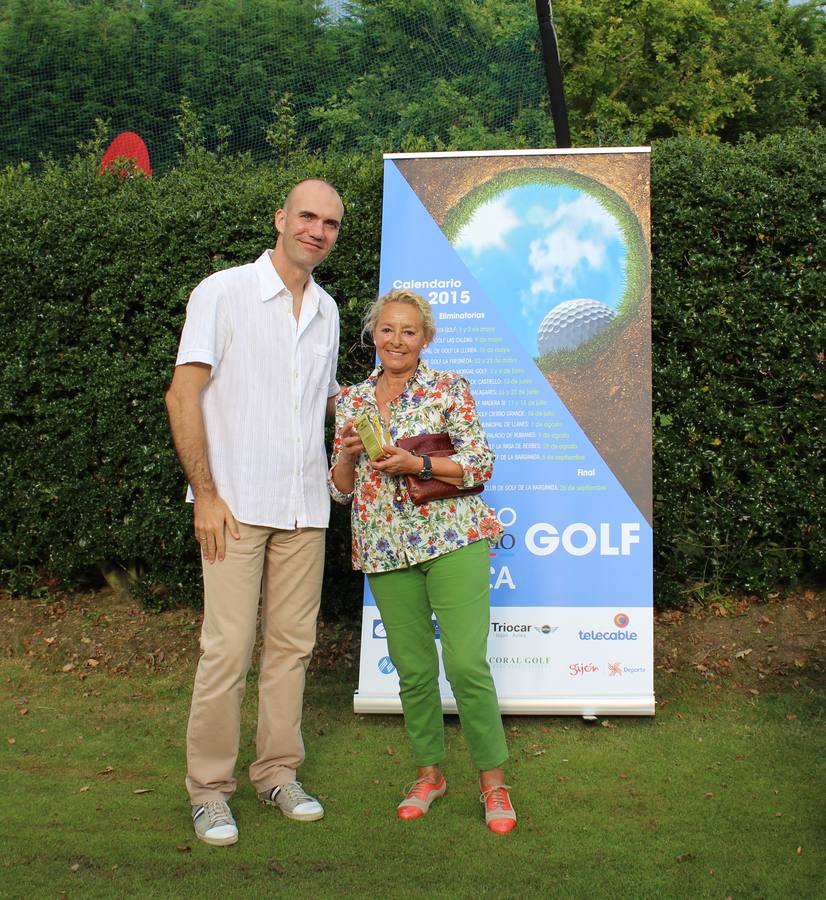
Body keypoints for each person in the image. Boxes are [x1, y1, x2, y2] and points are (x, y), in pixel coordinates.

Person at [165, 178, 344, 847]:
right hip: (234, 506)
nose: (317, 230)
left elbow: (324, 397)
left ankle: (277, 773)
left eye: (329, 223)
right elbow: (183, 394)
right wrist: (205, 494)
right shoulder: (224, 291)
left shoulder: (325, 309)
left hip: (305, 504)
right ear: (281, 218)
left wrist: (377, 414)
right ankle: (209, 791)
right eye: (307, 216)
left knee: (291, 650)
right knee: (227, 649)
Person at [329, 288, 517, 834]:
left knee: (464, 665)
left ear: (425, 338)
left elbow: (480, 464)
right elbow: (341, 490)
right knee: (412, 669)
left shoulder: (449, 388)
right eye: (387, 329)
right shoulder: (352, 401)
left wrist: (419, 462)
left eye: (408, 331)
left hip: (453, 537)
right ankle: (430, 774)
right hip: (384, 546)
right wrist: (345, 453)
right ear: (373, 335)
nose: (396, 340)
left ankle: (494, 783)